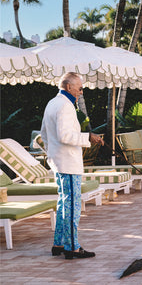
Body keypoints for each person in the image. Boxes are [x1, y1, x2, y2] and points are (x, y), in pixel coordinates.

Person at [40, 72, 104, 259]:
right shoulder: (65, 106)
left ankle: (59, 243)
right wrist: (88, 137)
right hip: (67, 164)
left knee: (63, 203)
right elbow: (65, 136)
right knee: (72, 205)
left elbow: (44, 135)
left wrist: (51, 156)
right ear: (69, 87)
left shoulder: (52, 103)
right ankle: (72, 247)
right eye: (80, 88)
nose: (81, 92)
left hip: (59, 162)